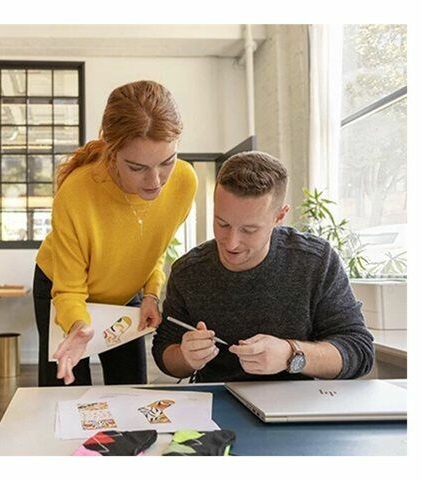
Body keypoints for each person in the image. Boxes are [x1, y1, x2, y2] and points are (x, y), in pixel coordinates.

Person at [152, 151, 374, 382]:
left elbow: (359, 351)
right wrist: (186, 357)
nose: (231, 243)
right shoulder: (189, 271)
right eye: (222, 224)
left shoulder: (315, 261)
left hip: (296, 399)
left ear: (279, 216)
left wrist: (290, 354)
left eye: (249, 230)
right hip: (214, 398)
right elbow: (164, 352)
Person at [33, 80, 198, 386]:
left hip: (126, 292)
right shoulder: (77, 193)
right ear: (112, 152)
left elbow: (156, 247)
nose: (155, 182)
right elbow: (69, 290)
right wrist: (78, 325)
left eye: (167, 162)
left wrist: (151, 294)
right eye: (137, 167)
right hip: (64, 288)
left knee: (130, 386)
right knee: (66, 390)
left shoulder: (184, 182)